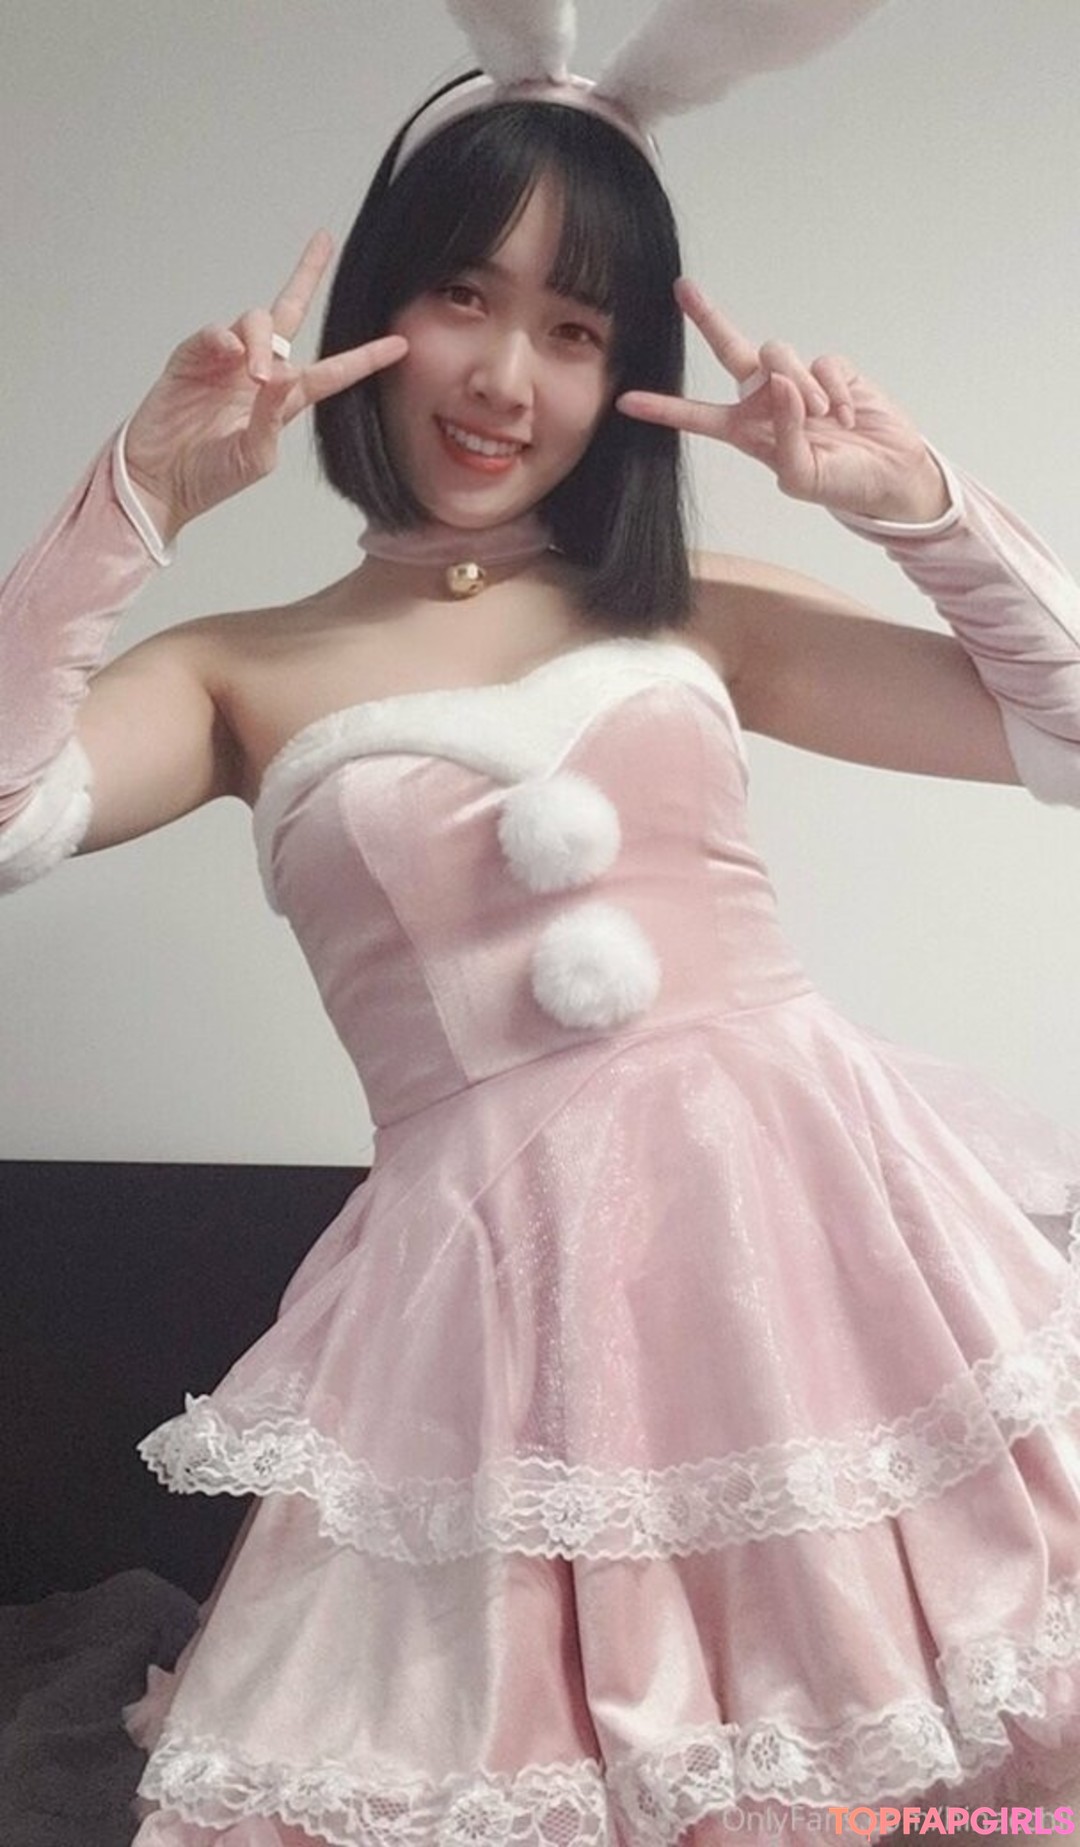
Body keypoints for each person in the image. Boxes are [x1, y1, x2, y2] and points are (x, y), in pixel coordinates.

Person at [3, 27, 1080, 1847]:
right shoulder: (233, 669)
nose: (507, 377)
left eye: (576, 329)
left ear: (626, 369)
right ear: (380, 306)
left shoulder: (688, 603)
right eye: (463, 296)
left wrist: (920, 507)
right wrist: (139, 494)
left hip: (817, 1275)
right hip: (497, 1338)